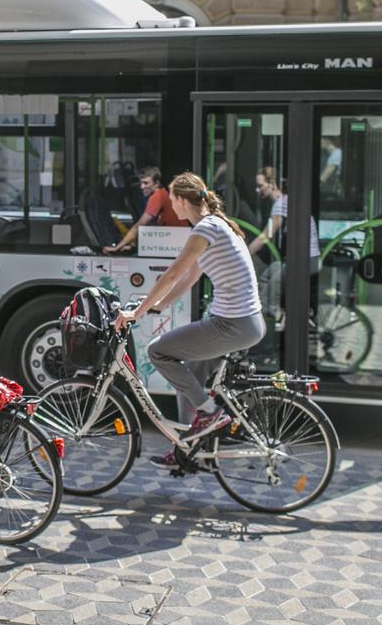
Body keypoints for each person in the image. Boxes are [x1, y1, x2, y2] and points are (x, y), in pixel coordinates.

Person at [114, 172, 265, 468]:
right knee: (188, 383)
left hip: (232, 324)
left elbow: (171, 273)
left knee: (158, 351)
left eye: (173, 201)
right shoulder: (216, 225)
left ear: (183, 201)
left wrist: (137, 312)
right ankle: (188, 451)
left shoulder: (205, 229)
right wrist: (160, 304)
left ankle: (210, 413)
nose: (172, 207)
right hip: (243, 322)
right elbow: (190, 276)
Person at [245, 169, 321, 322]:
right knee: (266, 277)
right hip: (308, 259)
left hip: (304, 262)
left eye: (260, 185)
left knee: (267, 298)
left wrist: (243, 253)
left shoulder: (281, 204)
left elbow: (265, 237)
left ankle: (275, 326)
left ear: (272, 184)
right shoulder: (287, 201)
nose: (257, 189)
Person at [103, 166, 190, 254]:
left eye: (146, 183)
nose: (142, 187)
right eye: (141, 183)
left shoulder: (157, 197)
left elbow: (139, 225)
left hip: (175, 245)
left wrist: (117, 247)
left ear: (156, 183)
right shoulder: (163, 194)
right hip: (176, 244)